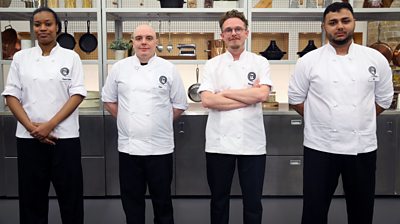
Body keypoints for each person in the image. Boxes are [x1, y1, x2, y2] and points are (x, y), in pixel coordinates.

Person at [288, 2, 393, 224]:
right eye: (333, 22)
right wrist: (321, 120)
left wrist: (359, 118)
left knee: (361, 211)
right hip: (320, 147)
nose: (340, 27)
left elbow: (384, 99)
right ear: (324, 27)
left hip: (362, 147)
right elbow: (296, 99)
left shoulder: (375, 59)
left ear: (354, 22)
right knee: (314, 212)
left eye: (345, 21)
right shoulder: (309, 61)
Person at [1, 7, 86, 224]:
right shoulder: (21, 58)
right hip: (29, 139)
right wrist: (32, 128)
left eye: (48, 23)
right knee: (31, 199)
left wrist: (49, 125)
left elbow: (77, 95)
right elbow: (11, 95)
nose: (42, 28)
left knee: (71, 198)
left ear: (57, 27)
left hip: (64, 138)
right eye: (38, 24)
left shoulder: (71, 57)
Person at [101, 24, 188, 224]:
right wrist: (127, 119)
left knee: (163, 201)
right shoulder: (119, 68)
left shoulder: (169, 69)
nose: (144, 42)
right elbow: (108, 100)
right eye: (139, 38)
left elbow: (179, 104)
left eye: (149, 38)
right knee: (132, 202)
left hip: (160, 148)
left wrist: (160, 121)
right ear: (132, 42)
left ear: (156, 42)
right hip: (129, 148)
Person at [198, 9, 272, 224]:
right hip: (219, 144)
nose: (233, 33)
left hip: (252, 143)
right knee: (219, 200)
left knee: (253, 201)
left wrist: (225, 93)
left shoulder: (260, 62)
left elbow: (262, 94)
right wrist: (248, 97)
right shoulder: (212, 64)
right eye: (228, 30)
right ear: (222, 35)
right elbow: (208, 101)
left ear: (246, 33)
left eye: (238, 29)